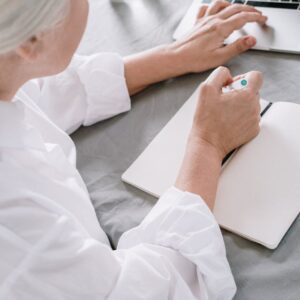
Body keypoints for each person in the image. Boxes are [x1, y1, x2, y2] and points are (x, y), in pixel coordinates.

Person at [0, 0, 264, 299]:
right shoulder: (14, 219)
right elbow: (150, 290)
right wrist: (209, 143)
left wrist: (175, 55)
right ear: (31, 40)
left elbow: (36, 87)